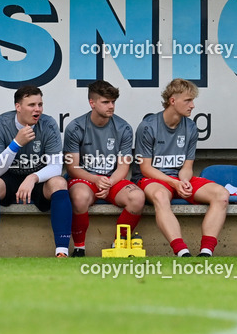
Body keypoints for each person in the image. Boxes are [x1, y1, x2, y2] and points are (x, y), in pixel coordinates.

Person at [135, 78, 228, 257]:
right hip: (151, 179)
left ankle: (206, 252)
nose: (192, 105)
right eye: (188, 100)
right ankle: (182, 252)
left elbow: (187, 166)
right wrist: (173, 182)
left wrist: (184, 181)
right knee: (161, 196)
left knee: (221, 194)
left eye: (192, 100)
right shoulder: (148, 126)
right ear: (172, 101)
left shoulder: (191, 127)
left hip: (177, 179)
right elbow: (145, 168)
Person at [0, 85, 72, 257]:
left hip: (37, 181)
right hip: (9, 179)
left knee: (59, 182)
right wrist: (16, 144)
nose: (37, 109)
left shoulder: (49, 124)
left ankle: (62, 251)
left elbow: (56, 167)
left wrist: (33, 177)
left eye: (40, 104)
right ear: (18, 107)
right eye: (31, 105)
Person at [63, 80, 145, 256]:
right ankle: (79, 247)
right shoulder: (76, 127)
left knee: (137, 198)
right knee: (79, 196)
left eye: (113, 102)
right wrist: (96, 180)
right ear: (92, 103)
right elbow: (72, 167)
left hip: (112, 179)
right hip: (85, 179)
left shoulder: (123, 128)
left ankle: (119, 243)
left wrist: (109, 183)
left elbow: (124, 166)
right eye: (106, 102)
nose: (111, 106)